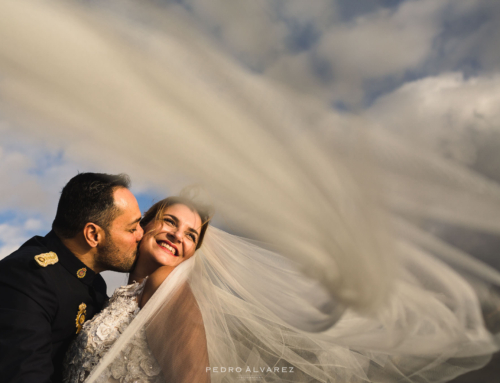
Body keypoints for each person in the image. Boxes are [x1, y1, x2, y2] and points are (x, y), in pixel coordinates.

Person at [0, 172, 144, 383]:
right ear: (93, 235)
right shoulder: (26, 277)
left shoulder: (93, 281)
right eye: (132, 228)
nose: (141, 234)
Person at [63, 190, 213, 383]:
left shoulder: (166, 283)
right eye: (170, 221)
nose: (177, 236)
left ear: (192, 253)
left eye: (191, 235)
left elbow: (194, 378)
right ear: (142, 226)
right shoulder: (110, 299)